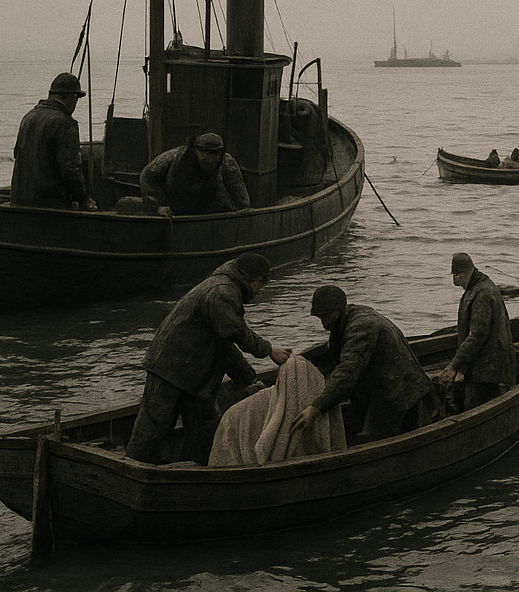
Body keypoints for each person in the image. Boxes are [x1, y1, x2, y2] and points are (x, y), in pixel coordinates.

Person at [126, 252, 290, 463]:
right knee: (152, 430)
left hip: (194, 372)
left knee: (204, 427)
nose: (258, 292)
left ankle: (202, 470)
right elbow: (236, 333)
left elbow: (224, 345)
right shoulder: (222, 293)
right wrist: (269, 350)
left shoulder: (226, 287)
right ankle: (133, 471)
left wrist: (248, 378)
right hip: (169, 368)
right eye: (260, 284)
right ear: (248, 278)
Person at [291, 285, 435, 443]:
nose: (323, 323)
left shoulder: (362, 326)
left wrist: (316, 408)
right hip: (381, 390)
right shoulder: (342, 323)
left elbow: (347, 372)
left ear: (339, 310)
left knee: (377, 441)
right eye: (320, 317)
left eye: (326, 316)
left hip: (400, 392)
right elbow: (336, 365)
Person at [440, 252, 516, 412]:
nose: (455, 279)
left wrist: (455, 365)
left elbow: (477, 336)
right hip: (484, 364)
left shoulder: (482, 294)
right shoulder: (476, 287)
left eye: (456, 275)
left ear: (462, 273)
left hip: (489, 369)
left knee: (472, 406)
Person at [11, 72, 96, 210]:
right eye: (76, 99)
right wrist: (83, 199)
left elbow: (17, 155)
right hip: (49, 208)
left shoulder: (28, 117)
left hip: (19, 203)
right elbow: (70, 170)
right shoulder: (65, 123)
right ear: (71, 97)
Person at [140, 133, 250, 216]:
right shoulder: (173, 158)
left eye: (213, 163)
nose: (209, 166)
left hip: (214, 211)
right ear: (195, 152)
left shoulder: (228, 163)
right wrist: (160, 203)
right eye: (205, 163)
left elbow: (242, 200)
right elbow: (147, 176)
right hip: (177, 208)